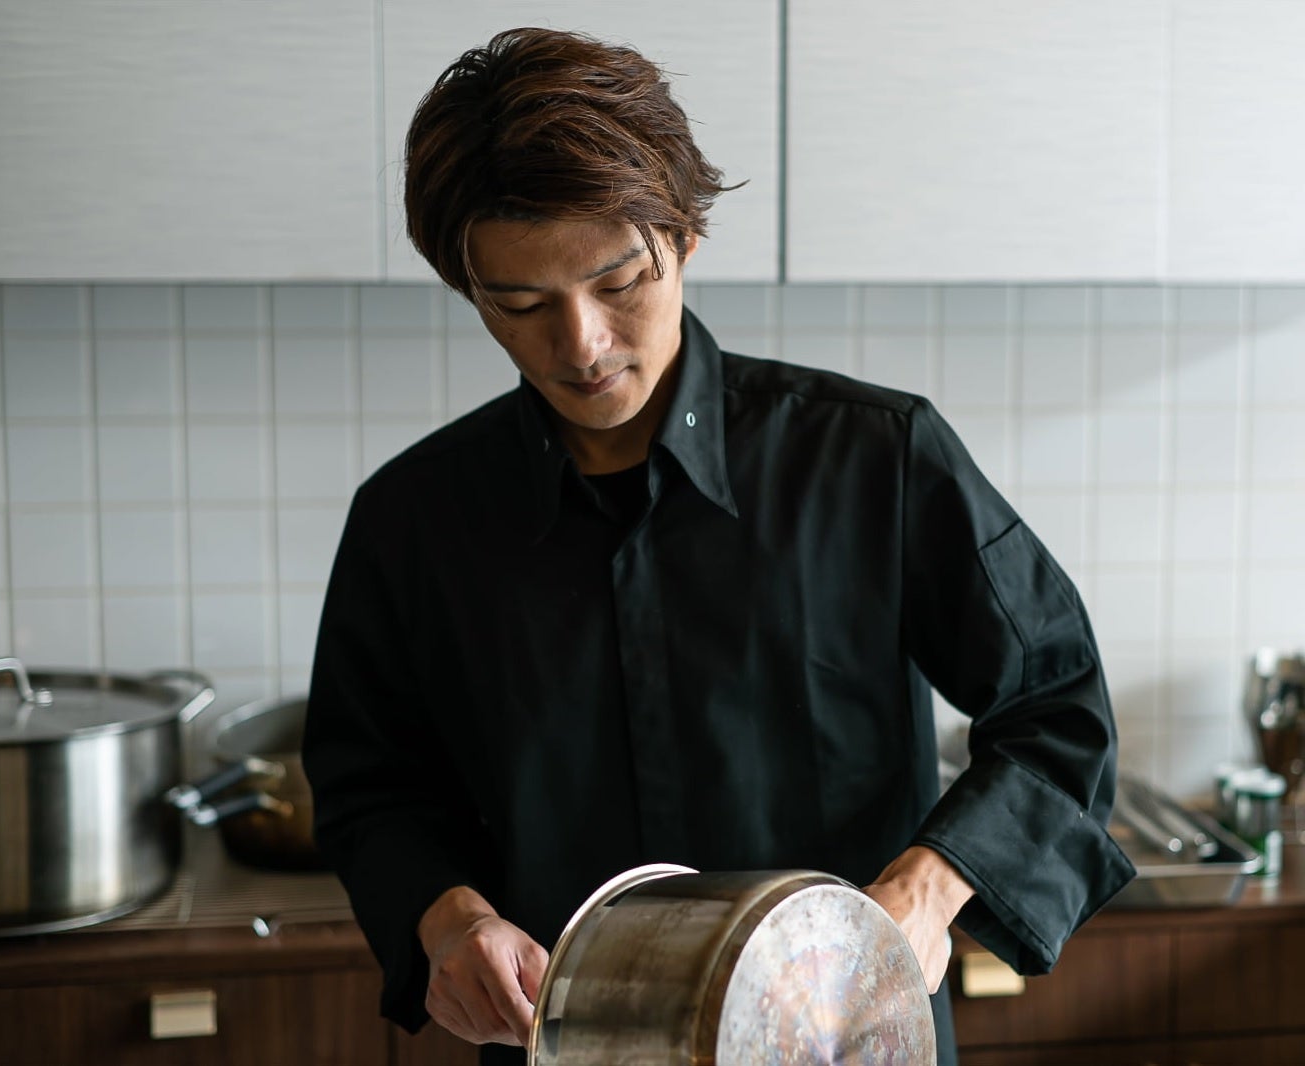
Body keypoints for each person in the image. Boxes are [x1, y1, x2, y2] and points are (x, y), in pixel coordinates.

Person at [302, 26, 1134, 1066]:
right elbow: (368, 782)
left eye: (618, 282)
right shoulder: (413, 519)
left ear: (684, 238)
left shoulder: (874, 459)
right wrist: (446, 918)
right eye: (521, 304)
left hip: (843, 1041)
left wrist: (926, 889)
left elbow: (1056, 712)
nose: (582, 344)